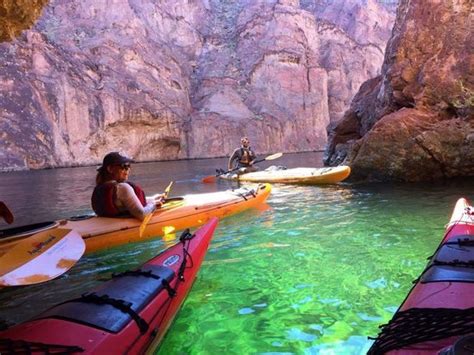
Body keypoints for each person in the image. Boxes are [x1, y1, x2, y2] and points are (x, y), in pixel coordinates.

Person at [91, 152, 164, 221]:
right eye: (124, 166)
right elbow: (142, 214)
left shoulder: (100, 187)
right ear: (110, 169)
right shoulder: (122, 188)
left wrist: (152, 198)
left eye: (129, 166)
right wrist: (153, 204)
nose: (128, 170)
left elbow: (125, 201)